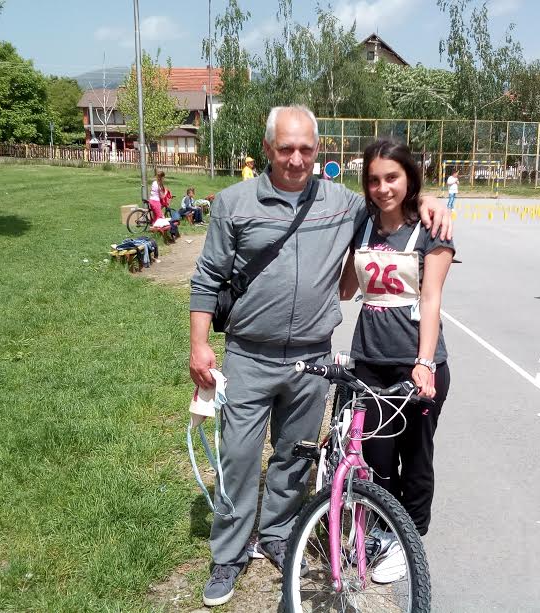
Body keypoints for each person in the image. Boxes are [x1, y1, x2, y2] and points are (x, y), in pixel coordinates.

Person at [189, 105, 451, 607]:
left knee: (294, 456)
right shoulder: (234, 203)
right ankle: (229, 554)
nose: (296, 159)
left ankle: (278, 533)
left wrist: (430, 199)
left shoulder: (341, 203)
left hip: (312, 357)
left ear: (318, 150)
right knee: (239, 457)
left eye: (306, 149)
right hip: (249, 354)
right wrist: (200, 345)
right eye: (286, 148)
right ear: (268, 149)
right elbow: (207, 277)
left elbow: (389, 197)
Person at [338, 140, 453, 577]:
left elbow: (431, 298)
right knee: (377, 458)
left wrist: (424, 362)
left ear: (409, 179)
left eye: (392, 178)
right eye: (374, 180)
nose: (383, 188)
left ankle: (409, 541)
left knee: (416, 457)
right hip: (369, 359)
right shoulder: (364, 225)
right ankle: (385, 530)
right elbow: (347, 290)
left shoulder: (432, 229)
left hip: (416, 364)